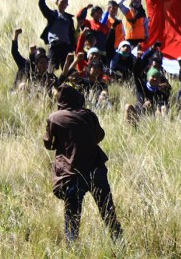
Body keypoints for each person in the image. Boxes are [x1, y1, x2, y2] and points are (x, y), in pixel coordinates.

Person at [43, 86, 122, 243]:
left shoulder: (54, 118)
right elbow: (99, 136)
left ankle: (73, 251)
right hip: (96, 169)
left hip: (72, 173)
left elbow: (48, 143)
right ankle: (119, 243)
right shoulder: (88, 115)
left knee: (72, 217)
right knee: (108, 211)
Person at [39, 0, 76, 70]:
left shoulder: (69, 19)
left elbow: (72, 34)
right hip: (55, 46)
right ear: (57, 2)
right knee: (50, 69)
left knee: (69, 71)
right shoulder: (52, 15)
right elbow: (42, 4)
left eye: (65, 3)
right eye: (62, 2)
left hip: (66, 48)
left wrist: (73, 47)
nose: (63, 4)